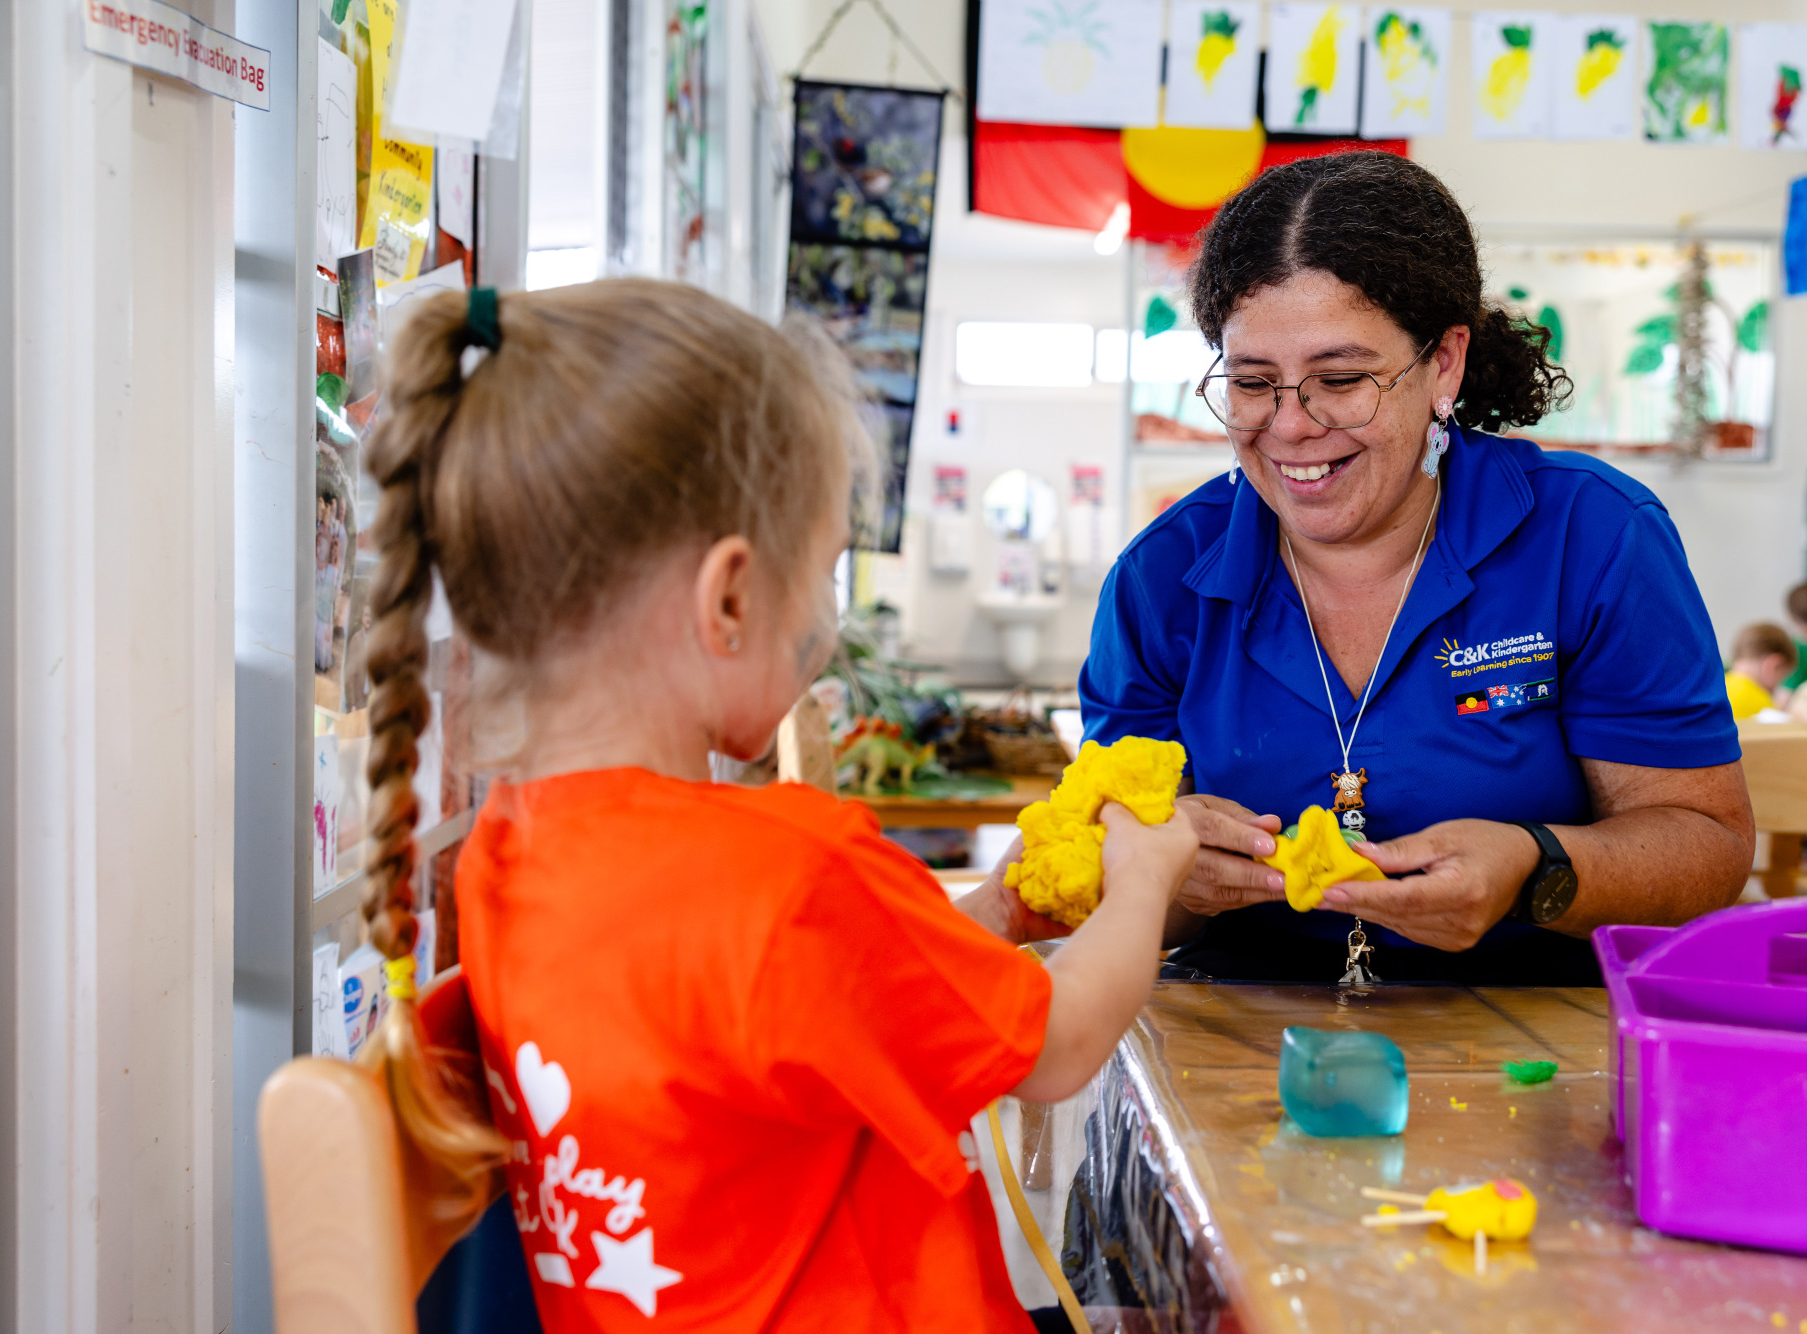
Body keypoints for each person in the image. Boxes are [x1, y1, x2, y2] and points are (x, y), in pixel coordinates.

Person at [353, 280, 1198, 1331]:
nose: (828, 617)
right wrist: (1151, 874)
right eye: (827, 567)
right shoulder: (786, 876)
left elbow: (767, 1012)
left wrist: (990, 917)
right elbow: (1062, 1044)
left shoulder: (507, 855)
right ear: (730, 599)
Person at [1080, 152, 1755, 985]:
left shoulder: (1593, 538)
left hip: (1532, 1041)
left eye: (1340, 379)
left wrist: (1533, 868)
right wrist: (1171, 873)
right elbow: (1106, 869)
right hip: (1235, 1029)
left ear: (1444, 365)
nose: (1291, 426)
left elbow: (1708, 847)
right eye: (1254, 383)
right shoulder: (1163, 579)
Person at [1724, 622, 1799, 720]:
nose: (1778, 686)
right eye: (1782, 678)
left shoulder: (1717, 688)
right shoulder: (1762, 705)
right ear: (1773, 666)